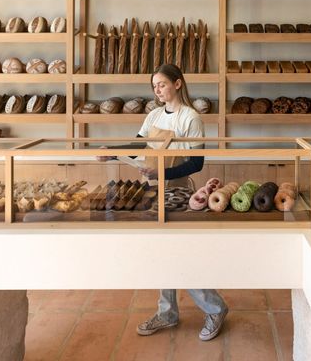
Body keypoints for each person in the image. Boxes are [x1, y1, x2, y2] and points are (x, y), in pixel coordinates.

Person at [98, 64, 229, 341]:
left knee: (178, 252)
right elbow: (139, 147)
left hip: (180, 190)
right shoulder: (154, 115)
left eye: (162, 84)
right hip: (154, 188)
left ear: (178, 84)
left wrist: (164, 173)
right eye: (154, 85)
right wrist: (110, 152)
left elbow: (196, 163)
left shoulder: (191, 118)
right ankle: (168, 312)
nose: (157, 89)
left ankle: (215, 308)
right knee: (162, 251)